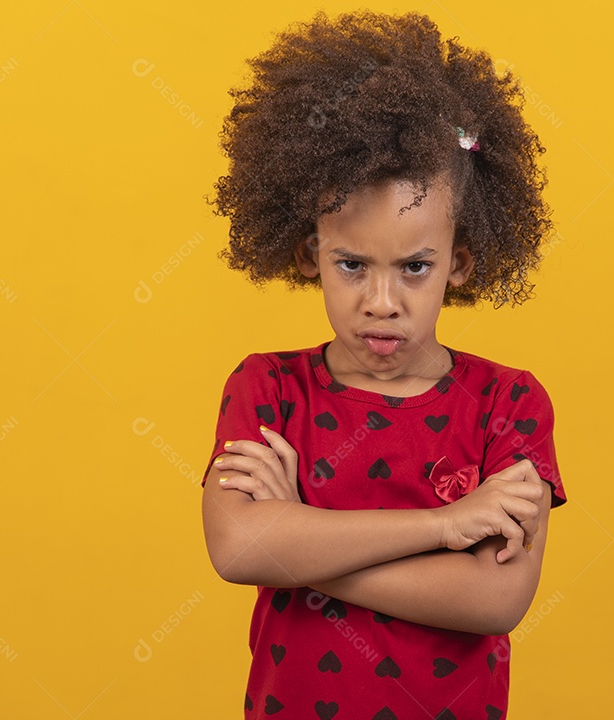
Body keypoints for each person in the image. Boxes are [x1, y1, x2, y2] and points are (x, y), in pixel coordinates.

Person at [200, 10, 566, 718]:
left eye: (415, 267)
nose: (382, 301)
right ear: (311, 256)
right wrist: (445, 526)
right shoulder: (268, 388)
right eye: (351, 264)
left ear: (458, 263)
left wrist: (300, 533)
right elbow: (238, 546)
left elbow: (495, 599)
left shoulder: (508, 403)